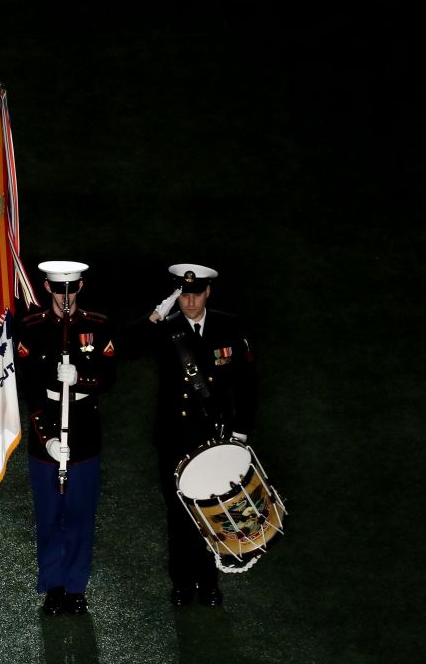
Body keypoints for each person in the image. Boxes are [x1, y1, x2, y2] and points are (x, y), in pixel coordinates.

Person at [140, 263, 257, 606]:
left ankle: (208, 582)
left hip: (214, 438)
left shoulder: (228, 327)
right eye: (184, 295)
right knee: (178, 514)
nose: (190, 302)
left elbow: (248, 385)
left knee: (212, 511)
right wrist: (153, 317)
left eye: (196, 294)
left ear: (208, 292)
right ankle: (181, 583)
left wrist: (241, 432)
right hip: (174, 436)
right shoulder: (165, 329)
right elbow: (126, 348)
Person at [15, 261, 117, 616]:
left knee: (79, 513)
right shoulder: (31, 328)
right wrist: (46, 438)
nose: (65, 297)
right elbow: (28, 386)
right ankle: (53, 586)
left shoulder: (97, 326)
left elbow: (110, 376)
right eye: (59, 290)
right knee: (49, 514)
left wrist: (82, 378)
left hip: (85, 431)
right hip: (46, 433)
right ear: (48, 289)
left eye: (71, 289)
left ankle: (76, 586)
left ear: (81, 287)